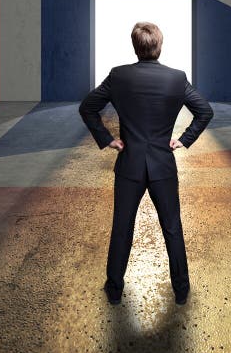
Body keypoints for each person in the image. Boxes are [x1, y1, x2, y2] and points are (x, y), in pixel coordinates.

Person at [79, 21, 214, 306]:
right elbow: (205, 111)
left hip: (129, 164)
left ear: (135, 46)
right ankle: (181, 291)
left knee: (122, 227)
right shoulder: (177, 78)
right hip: (163, 166)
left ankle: (114, 291)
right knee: (172, 228)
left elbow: (87, 107)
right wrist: (183, 139)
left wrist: (108, 139)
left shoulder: (118, 76)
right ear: (159, 46)